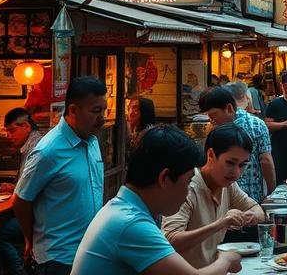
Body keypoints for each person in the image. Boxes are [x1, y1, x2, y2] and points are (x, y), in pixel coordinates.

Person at [73, 127, 243, 275]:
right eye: (188, 181)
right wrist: (226, 260)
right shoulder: (131, 223)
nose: (187, 192)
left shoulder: (125, 209)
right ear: (164, 178)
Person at [13, 76, 108, 274]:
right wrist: (30, 239)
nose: (102, 118)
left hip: (89, 252)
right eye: (95, 111)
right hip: (57, 259)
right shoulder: (48, 151)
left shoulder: (92, 141)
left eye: (103, 110)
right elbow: (21, 199)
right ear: (73, 110)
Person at [162, 124, 266, 267]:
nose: (236, 173)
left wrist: (251, 217)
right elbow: (170, 241)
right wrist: (221, 223)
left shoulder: (229, 186)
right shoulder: (188, 187)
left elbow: (258, 211)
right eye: (230, 163)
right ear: (210, 155)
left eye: (242, 165)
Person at [200, 84, 275, 205]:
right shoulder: (257, 123)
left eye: (213, 115)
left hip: (239, 196)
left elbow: (265, 160)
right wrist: (272, 192)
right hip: (247, 195)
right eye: (208, 116)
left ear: (229, 108)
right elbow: (266, 160)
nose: (211, 120)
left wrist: (272, 192)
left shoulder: (253, 125)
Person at [0, 108, 43, 275]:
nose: (9, 136)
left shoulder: (35, 148)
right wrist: (15, 186)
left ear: (26, 126)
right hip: (38, 211)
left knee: (2, 235)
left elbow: (27, 194)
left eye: (12, 131)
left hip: (39, 214)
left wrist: (27, 234)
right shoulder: (33, 144)